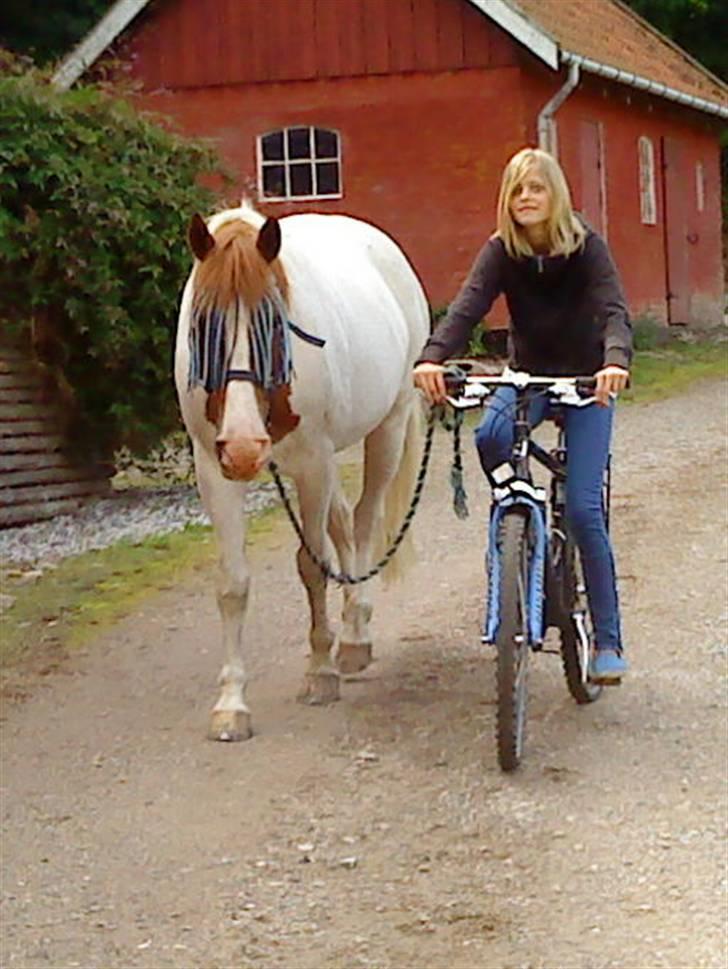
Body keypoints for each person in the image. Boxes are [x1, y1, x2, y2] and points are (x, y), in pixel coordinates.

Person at [413, 146, 631, 684]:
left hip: (585, 383)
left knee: (583, 510)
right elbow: (468, 306)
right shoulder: (501, 252)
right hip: (528, 376)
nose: (525, 198)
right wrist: (432, 357)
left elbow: (613, 311)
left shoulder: (587, 247)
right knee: (490, 434)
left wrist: (614, 363)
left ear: (554, 194)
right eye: (515, 190)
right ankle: (522, 503)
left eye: (535, 188)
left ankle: (607, 640)